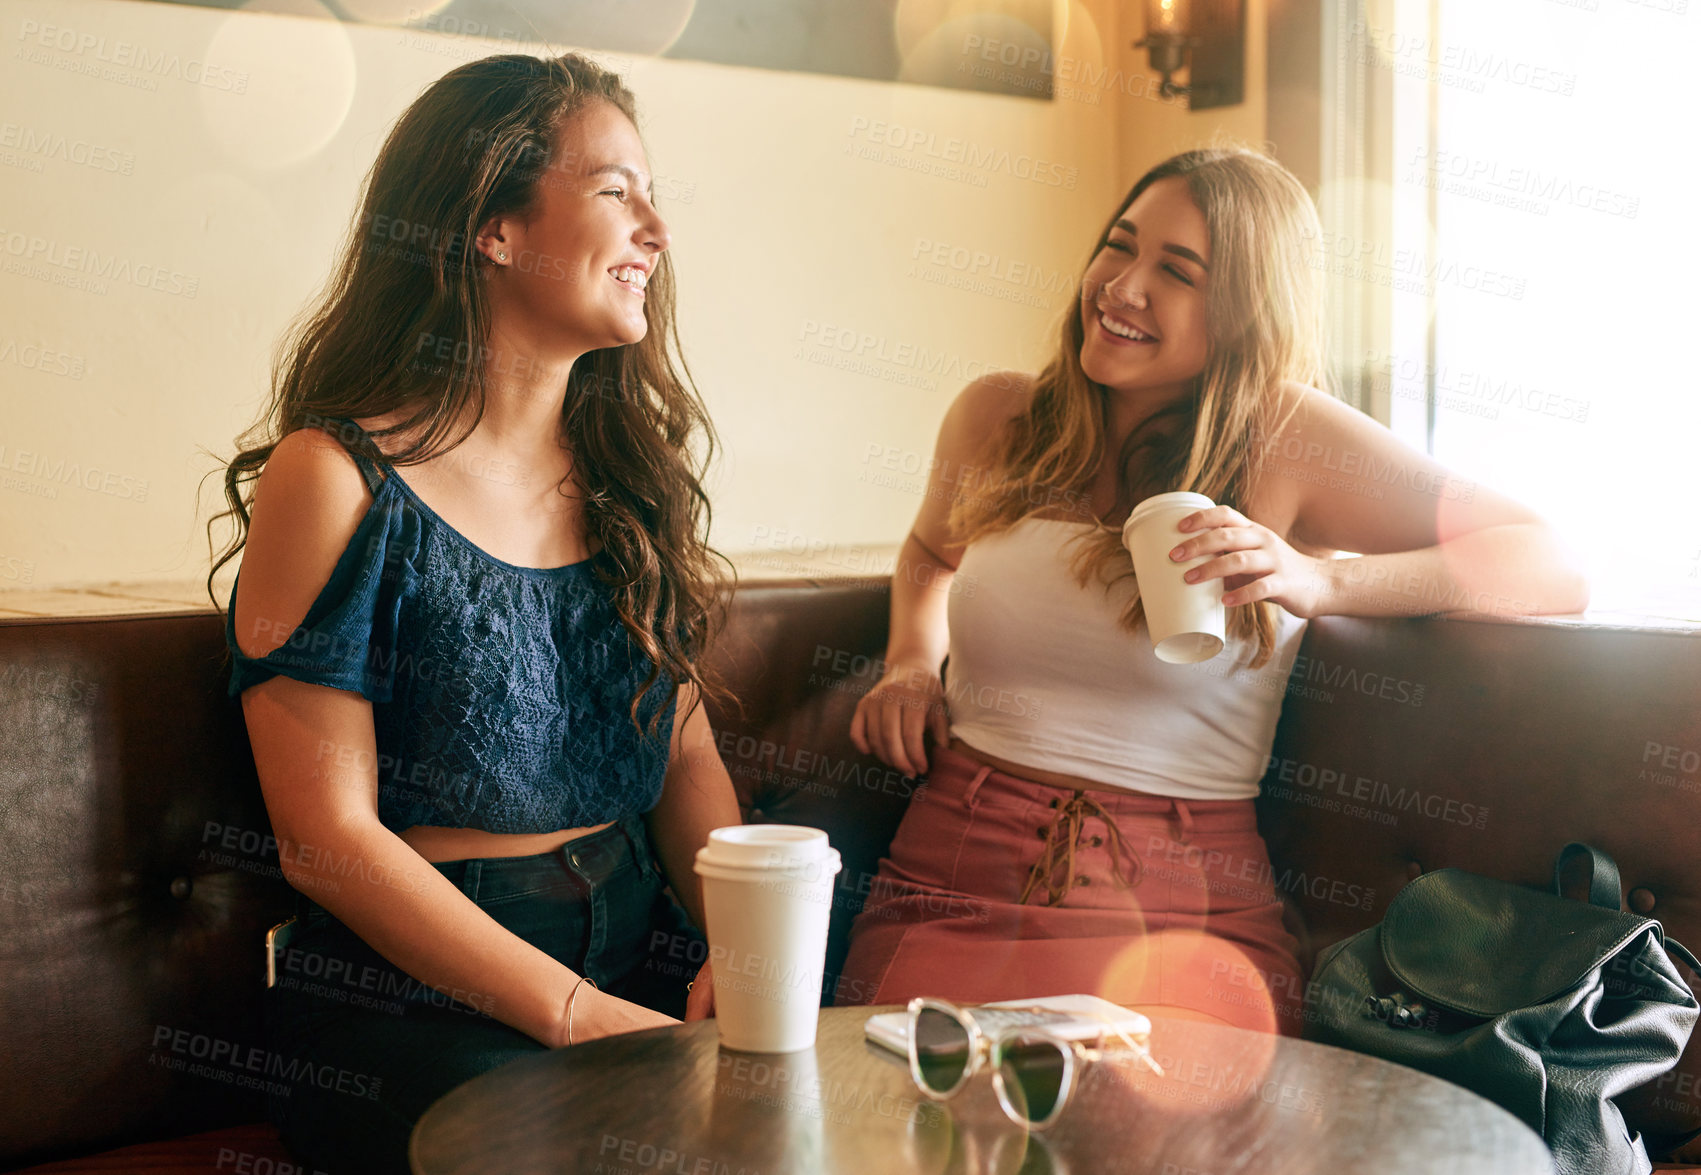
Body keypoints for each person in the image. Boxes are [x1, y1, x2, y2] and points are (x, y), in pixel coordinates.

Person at [836, 146, 1588, 1037]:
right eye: (1119, 246)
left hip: (1179, 910)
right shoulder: (998, 416)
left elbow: (1548, 561)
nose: (1121, 286)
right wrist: (911, 664)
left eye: (1177, 271)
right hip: (952, 872)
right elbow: (930, 549)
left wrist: (1321, 578)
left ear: (1242, 312)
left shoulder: (1286, 436)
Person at [209, 53, 737, 1174]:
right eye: (616, 191)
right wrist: (582, 1015)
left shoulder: (629, 479)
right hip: (410, 1008)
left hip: (637, 952)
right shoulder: (336, 478)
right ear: (491, 226)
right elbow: (327, 842)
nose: (656, 227)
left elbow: (685, 751)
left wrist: (740, 950)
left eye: (653, 195)